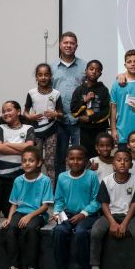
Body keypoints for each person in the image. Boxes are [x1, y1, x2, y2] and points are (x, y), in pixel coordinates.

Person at [88, 149, 135, 269]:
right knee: (96, 231)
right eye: (119, 160)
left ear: (131, 165)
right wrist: (113, 223)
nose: (123, 162)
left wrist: (124, 224)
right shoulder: (106, 180)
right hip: (110, 215)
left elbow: (134, 204)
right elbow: (104, 203)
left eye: (126, 160)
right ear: (113, 165)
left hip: (130, 215)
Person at [53, 145, 101, 269]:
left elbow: (96, 201)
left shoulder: (92, 176)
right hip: (68, 213)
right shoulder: (62, 177)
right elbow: (59, 200)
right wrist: (56, 213)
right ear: (67, 160)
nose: (76, 162)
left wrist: (84, 213)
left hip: (88, 215)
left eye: (79, 159)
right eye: (72, 158)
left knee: (81, 233)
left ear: (86, 161)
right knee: (59, 231)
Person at [2, 146, 53, 269]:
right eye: (24, 161)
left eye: (31, 160)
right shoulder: (18, 180)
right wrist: (9, 218)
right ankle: (14, 268)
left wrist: (30, 216)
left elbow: (45, 206)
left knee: (31, 228)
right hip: (20, 212)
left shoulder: (45, 180)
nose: (27, 163)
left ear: (39, 163)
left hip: (37, 213)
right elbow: (14, 204)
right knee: (11, 227)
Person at [0, 101, 36, 217]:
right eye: (4, 111)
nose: (6, 113)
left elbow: (29, 148)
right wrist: (21, 149)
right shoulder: (1, 128)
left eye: (9, 110)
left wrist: (8, 144)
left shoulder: (28, 128)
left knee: (8, 212)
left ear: (18, 112)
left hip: (15, 176)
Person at [53, 32, 87, 177]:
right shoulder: (51, 67)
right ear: (60, 45)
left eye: (72, 43)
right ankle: (61, 189)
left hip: (79, 120)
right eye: (65, 42)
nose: (68, 45)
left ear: (76, 46)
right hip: (58, 120)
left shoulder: (85, 66)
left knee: (80, 157)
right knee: (59, 157)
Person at [25, 63, 64, 184]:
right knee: (34, 161)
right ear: (36, 77)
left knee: (50, 162)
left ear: (50, 76)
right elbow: (25, 112)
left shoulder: (56, 94)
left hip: (51, 132)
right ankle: (34, 186)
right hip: (35, 133)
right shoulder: (31, 93)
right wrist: (30, 116)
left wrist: (55, 114)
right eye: (40, 75)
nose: (43, 77)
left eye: (46, 75)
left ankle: (50, 191)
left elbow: (61, 113)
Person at [71, 59, 110, 159]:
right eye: (91, 69)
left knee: (101, 155)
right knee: (85, 155)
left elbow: (107, 111)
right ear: (85, 71)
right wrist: (85, 101)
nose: (94, 71)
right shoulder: (79, 90)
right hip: (84, 130)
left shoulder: (103, 90)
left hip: (100, 129)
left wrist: (90, 118)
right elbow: (74, 111)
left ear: (100, 74)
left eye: (97, 70)